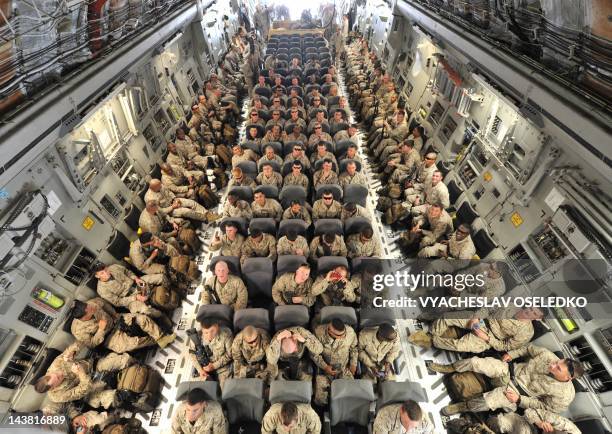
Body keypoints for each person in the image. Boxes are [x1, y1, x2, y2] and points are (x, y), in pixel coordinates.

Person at [429, 344, 583, 415]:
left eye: (558, 368)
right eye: (557, 362)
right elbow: (528, 348)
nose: (553, 365)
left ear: (568, 378)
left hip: (516, 392)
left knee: (487, 402)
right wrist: (512, 354)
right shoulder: (549, 356)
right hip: (510, 371)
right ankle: (449, 368)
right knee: (476, 362)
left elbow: (543, 407)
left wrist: (519, 400)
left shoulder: (565, 395)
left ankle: (461, 407)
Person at [410, 307, 543, 353]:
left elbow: (505, 346)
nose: (529, 312)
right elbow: (489, 308)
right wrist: (476, 317)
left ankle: (432, 341)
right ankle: (430, 335)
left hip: (488, 337)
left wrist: (486, 338)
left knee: (459, 346)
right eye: (531, 308)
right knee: (447, 317)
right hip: (481, 320)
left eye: (534, 313)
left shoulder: (527, 332)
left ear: (537, 319)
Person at [69, 298, 175, 352]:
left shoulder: (91, 303)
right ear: (83, 317)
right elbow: (91, 344)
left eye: (88, 306)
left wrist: (114, 313)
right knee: (133, 343)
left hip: (116, 319)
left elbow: (102, 303)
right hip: (109, 337)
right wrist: (100, 330)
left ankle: (161, 338)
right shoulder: (78, 330)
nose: (91, 307)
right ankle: (154, 341)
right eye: (89, 310)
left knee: (142, 319)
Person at [313, 319, 358, 406]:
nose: (342, 337)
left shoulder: (350, 332)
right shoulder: (318, 333)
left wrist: (353, 364)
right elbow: (314, 354)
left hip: (344, 368)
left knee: (350, 395)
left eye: (343, 334)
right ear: (329, 330)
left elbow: (354, 348)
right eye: (338, 335)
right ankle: (323, 411)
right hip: (324, 370)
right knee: (320, 399)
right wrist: (325, 367)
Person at [94, 263, 165, 317]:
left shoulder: (114, 267)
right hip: (130, 299)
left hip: (137, 285)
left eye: (106, 270)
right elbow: (117, 302)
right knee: (146, 310)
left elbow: (127, 272)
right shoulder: (101, 289)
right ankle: (163, 316)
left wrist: (136, 279)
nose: (106, 273)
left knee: (160, 277)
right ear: (97, 276)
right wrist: (135, 297)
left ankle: (170, 291)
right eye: (102, 273)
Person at [188, 318, 233, 388]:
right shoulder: (196, 338)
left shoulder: (226, 334)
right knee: (205, 392)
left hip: (222, 368)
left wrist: (214, 366)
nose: (209, 335)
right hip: (204, 369)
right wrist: (200, 370)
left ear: (217, 327)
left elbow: (230, 354)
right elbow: (192, 354)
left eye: (212, 331)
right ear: (202, 330)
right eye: (206, 332)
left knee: (224, 393)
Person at [488, 409, 581, 434]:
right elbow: (530, 411)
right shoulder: (562, 423)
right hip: (530, 428)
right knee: (500, 422)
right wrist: (539, 422)